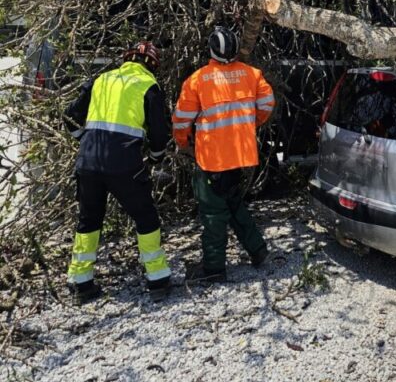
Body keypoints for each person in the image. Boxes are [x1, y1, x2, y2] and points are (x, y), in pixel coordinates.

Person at [64, 41, 171, 303]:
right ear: (153, 65)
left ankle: (81, 283)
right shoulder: (148, 86)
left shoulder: (101, 79)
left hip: (88, 161)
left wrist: (84, 140)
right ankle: (157, 280)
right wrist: (156, 158)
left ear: (127, 58)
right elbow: (159, 133)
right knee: (145, 216)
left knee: (88, 220)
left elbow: (69, 116)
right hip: (124, 164)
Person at [172, 26, 275, 282]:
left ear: (211, 50)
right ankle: (258, 250)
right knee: (232, 202)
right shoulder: (252, 74)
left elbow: (182, 120)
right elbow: (266, 105)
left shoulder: (197, 80)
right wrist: (250, 125)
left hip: (211, 158)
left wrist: (183, 142)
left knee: (213, 213)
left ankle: (214, 269)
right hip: (241, 155)